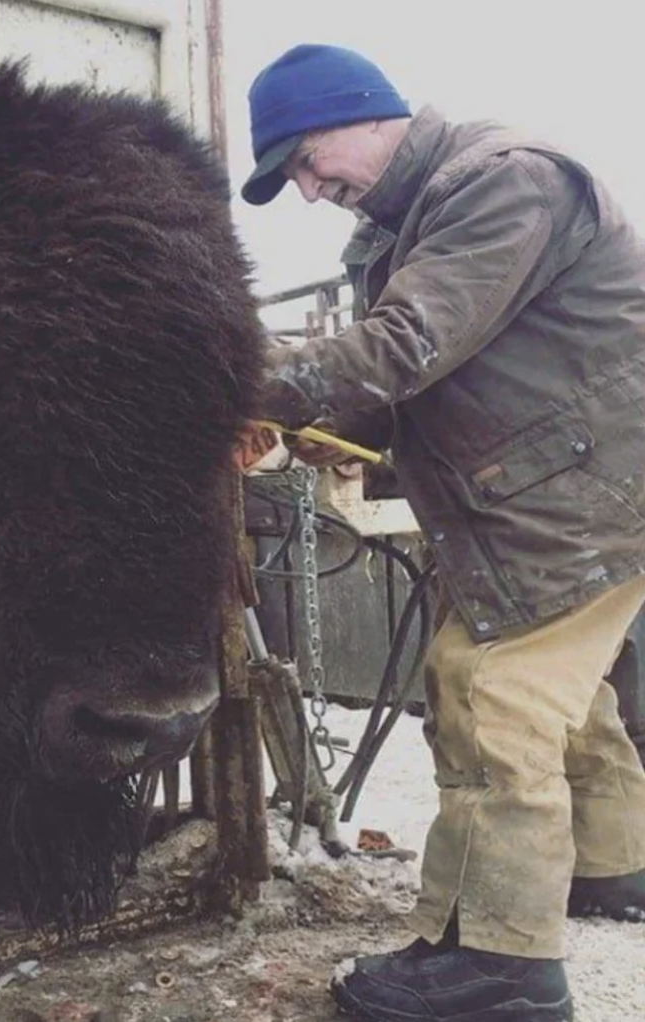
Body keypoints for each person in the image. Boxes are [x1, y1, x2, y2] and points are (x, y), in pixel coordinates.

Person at [241, 43, 645, 1022]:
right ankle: (611, 865)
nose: (306, 190)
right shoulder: (409, 222)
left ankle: (504, 965)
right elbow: (421, 387)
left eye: (304, 159)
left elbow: (404, 347)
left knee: (490, 690)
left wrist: (210, 377)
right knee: (563, 697)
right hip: (550, 496)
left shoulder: (502, 184)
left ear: (361, 113)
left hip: (590, 496)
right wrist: (315, 437)